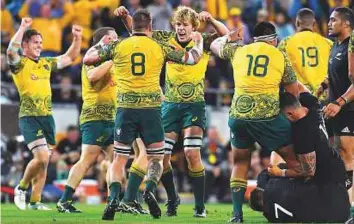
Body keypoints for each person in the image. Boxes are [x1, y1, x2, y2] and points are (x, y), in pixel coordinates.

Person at [83, 9, 204, 220]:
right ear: (150, 27)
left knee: (119, 159)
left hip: (125, 109)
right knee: (155, 157)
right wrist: (200, 43)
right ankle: (148, 189)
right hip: (151, 110)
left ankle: (113, 198)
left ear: (133, 27)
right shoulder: (159, 46)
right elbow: (192, 58)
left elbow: (88, 59)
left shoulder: (118, 45)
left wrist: (101, 43)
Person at [115, 5, 229, 218]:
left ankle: (199, 206)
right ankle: (173, 197)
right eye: (178, 24)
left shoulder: (202, 40)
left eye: (185, 25)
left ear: (193, 26)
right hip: (169, 105)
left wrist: (212, 20)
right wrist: (126, 17)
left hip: (194, 104)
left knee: (191, 153)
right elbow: (138, 33)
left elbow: (227, 36)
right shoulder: (164, 38)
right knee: (162, 157)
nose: (181, 29)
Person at [210, 21, 300, 223]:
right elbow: (293, 92)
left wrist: (228, 37)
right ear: (273, 39)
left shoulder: (239, 50)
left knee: (240, 162)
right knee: (296, 161)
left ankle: (236, 215)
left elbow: (214, 45)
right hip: (268, 117)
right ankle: (293, 206)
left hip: (238, 116)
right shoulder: (280, 55)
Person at [7, 18, 82, 210]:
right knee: (41, 157)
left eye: (41, 43)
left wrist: (77, 37)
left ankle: (35, 202)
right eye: (35, 43)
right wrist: (23, 27)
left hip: (47, 117)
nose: (40, 46)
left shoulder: (46, 63)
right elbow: (10, 51)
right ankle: (22, 187)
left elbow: (70, 57)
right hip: (29, 117)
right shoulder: (20, 64)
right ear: (25, 45)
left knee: (45, 161)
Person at [249, 92, 349, 223]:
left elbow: (308, 171)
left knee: (271, 176)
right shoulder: (312, 105)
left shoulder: (302, 133)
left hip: (323, 182)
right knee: (267, 175)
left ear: (289, 114)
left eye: (281, 117)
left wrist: (282, 173)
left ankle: (270, 204)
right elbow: (302, 91)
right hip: (336, 169)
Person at [56, 27, 118, 213]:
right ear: (107, 38)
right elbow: (92, 76)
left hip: (111, 117)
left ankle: (114, 201)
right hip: (95, 115)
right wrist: (114, 59)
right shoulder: (94, 54)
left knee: (116, 159)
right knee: (86, 161)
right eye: (115, 38)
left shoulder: (109, 59)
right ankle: (64, 201)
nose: (118, 42)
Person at [319, 6, 354, 224]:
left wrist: (340, 102)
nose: (329, 23)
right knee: (338, 157)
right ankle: (342, 205)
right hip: (335, 109)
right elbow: (336, 74)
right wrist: (323, 85)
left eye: (333, 20)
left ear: (346, 24)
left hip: (348, 109)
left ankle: (351, 209)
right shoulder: (335, 45)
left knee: (348, 156)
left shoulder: (352, 45)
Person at [278, 8, 333, 95]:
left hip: (296, 96)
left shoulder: (286, 43)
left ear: (297, 23)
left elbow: (279, 70)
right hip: (322, 96)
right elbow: (334, 71)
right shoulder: (328, 43)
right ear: (314, 23)